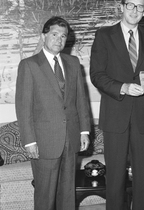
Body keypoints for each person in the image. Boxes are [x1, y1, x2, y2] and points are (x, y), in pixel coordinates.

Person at [90, 0, 144, 210]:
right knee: (114, 178)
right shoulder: (104, 35)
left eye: (140, 6)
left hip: (142, 117)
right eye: (130, 5)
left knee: (141, 177)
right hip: (115, 116)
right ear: (121, 7)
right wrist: (122, 87)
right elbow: (97, 75)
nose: (135, 10)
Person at [15, 16, 91, 210]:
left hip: (71, 137)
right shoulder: (29, 65)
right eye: (54, 34)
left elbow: (81, 100)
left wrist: (84, 131)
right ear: (43, 36)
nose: (59, 39)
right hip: (43, 141)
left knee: (67, 193)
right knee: (45, 194)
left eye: (63, 36)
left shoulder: (73, 63)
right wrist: (29, 141)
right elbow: (23, 107)